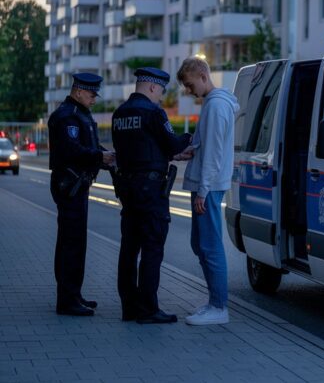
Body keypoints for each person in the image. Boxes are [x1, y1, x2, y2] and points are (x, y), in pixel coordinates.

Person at [112, 67, 191, 324]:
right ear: (153, 87)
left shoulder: (119, 114)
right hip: (151, 192)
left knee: (128, 248)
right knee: (152, 248)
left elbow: (135, 148)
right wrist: (189, 138)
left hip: (127, 188)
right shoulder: (153, 112)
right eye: (161, 91)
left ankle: (129, 307)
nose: (160, 96)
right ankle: (148, 309)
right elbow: (172, 144)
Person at [176, 57, 239, 325]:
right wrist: (190, 153)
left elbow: (214, 153)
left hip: (209, 188)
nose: (189, 91)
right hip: (207, 185)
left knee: (210, 246)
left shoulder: (215, 106)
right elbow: (210, 149)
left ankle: (218, 307)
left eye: (190, 85)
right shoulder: (215, 104)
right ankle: (215, 302)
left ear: (203, 75)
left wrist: (202, 191)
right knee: (201, 245)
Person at [48, 73, 115, 316]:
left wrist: (106, 157)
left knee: (75, 242)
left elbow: (90, 146)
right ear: (78, 91)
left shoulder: (79, 114)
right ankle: (66, 300)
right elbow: (72, 150)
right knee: (71, 244)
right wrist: (99, 157)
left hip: (78, 184)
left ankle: (73, 294)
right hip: (70, 185)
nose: (94, 98)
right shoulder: (68, 116)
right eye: (91, 93)